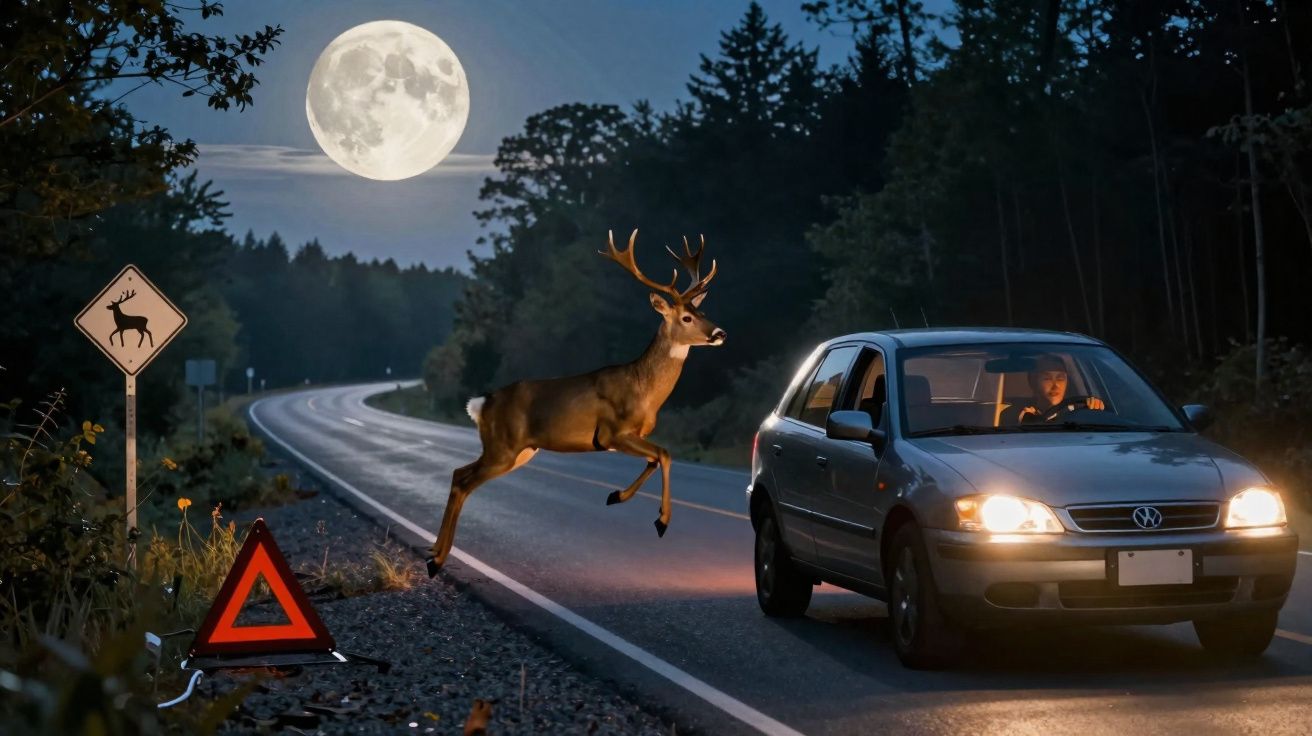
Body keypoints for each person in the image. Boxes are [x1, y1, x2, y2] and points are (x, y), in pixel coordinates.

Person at [1002, 354, 1105, 424]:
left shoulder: (1078, 412)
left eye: (1060, 379)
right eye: (1047, 379)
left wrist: (1096, 407)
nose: (1055, 386)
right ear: (1033, 382)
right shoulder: (1017, 413)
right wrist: (1028, 420)